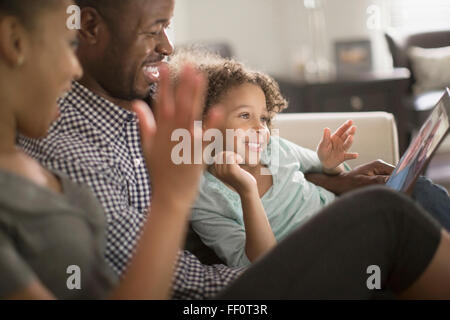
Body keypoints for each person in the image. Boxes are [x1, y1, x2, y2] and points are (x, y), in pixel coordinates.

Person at [16, 0, 450, 299]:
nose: (168, 47)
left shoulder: (143, 93)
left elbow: (249, 149)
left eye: (168, 27)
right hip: (225, 287)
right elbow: (162, 281)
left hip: (246, 259)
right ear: (89, 27)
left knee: (405, 199)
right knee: (386, 216)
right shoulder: (68, 144)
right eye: (154, 30)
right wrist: (308, 255)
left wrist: (332, 183)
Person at [0, 0, 222, 299]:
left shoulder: (142, 103)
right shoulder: (60, 149)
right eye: (68, 44)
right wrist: (171, 201)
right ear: (14, 41)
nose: (75, 67)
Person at [169, 51, 360, 267]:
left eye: (263, 118)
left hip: (347, 220)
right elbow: (256, 265)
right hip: (316, 260)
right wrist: (247, 190)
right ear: (205, 124)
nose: (260, 128)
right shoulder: (204, 197)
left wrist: (329, 163)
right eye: (244, 115)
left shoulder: (274, 148)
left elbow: (336, 172)